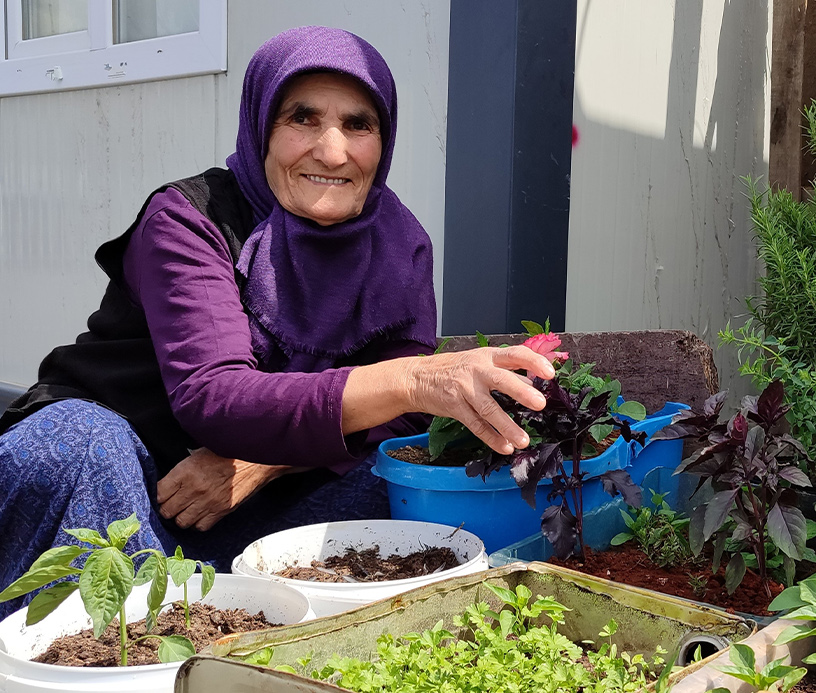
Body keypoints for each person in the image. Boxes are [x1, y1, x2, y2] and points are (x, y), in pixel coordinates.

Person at [0, 26, 553, 619]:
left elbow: (407, 417)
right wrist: (411, 379)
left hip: (252, 487)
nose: (333, 151)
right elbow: (214, 394)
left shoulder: (399, 241)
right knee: (77, 446)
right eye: (303, 118)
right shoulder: (189, 219)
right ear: (261, 125)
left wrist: (267, 460)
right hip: (130, 470)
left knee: (390, 487)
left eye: (358, 125)